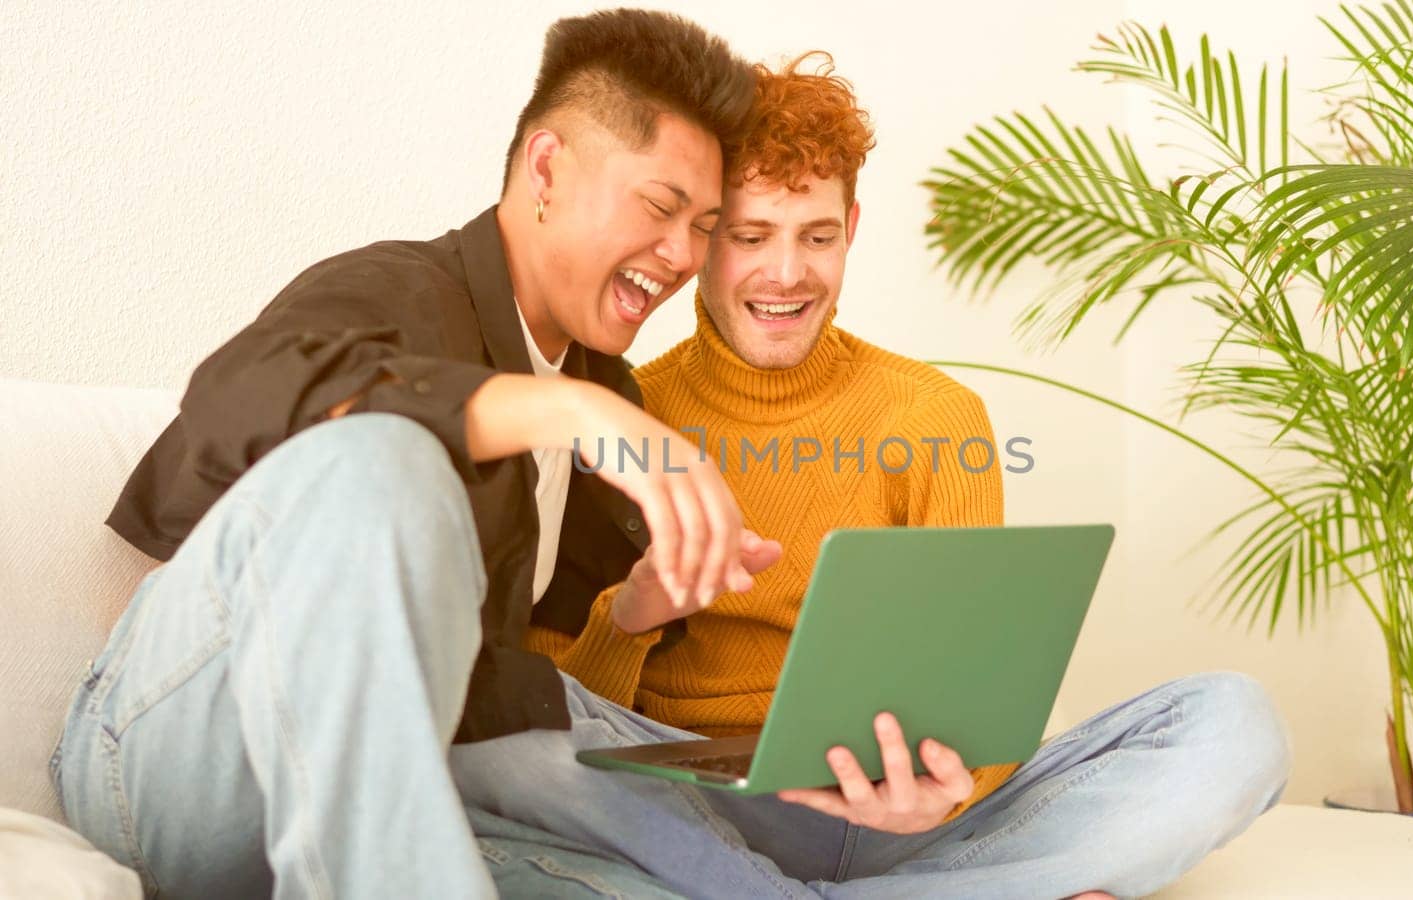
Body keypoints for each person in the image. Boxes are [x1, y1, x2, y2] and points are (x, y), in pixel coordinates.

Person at [454, 53, 1294, 899]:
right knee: (486, 730)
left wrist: (944, 787)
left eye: (816, 237)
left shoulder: (935, 416)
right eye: (750, 237)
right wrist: (630, 619)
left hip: (904, 814)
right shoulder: (619, 413)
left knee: (1234, 723)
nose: (787, 274)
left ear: (851, 228)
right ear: (702, 239)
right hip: (695, 810)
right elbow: (563, 711)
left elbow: (983, 696)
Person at [51, 9, 759, 898]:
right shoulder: (401, 290)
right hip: (172, 761)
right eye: (661, 207)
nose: (682, 254)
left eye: (704, 225)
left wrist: (637, 612)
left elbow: (523, 706)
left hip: (380, 793)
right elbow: (231, 396)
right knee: (387, 457)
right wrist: (561, 409)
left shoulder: (604, 389)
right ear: (546, 167)